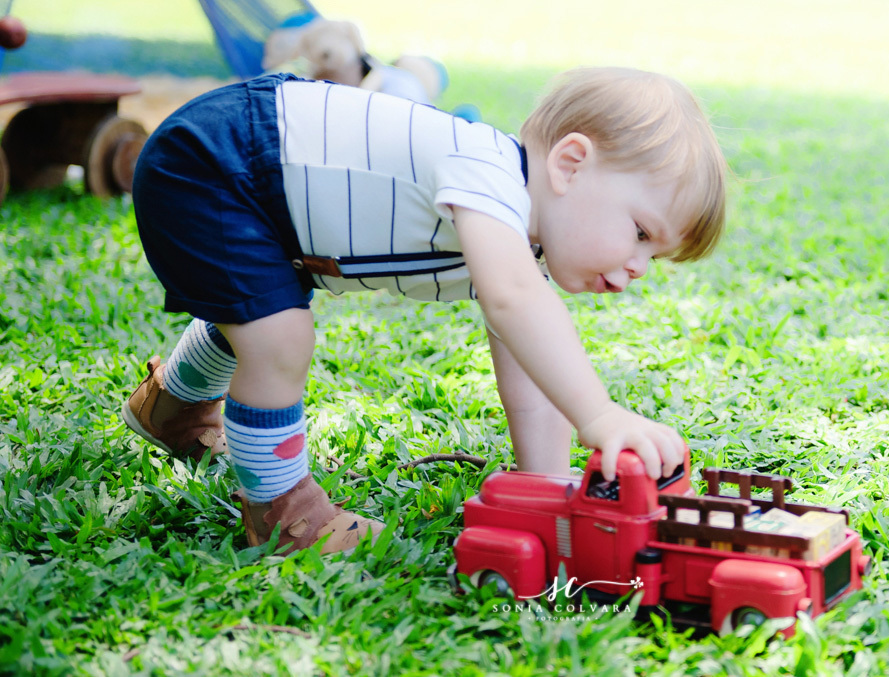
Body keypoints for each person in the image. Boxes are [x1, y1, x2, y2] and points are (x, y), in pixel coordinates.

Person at [123, 66, 728, 555]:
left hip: (263, 190)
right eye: (642, 233)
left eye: (657, 256)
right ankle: (285, 516)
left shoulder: (521, 243)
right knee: (278, 337)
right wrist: (600, 415)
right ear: (570, 164)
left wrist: (543, 497)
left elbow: (533, 373)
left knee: (259, 311)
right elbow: (514, 301)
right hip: (219, 162)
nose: (638, 268)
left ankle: (170, 408)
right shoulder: (488, 176)